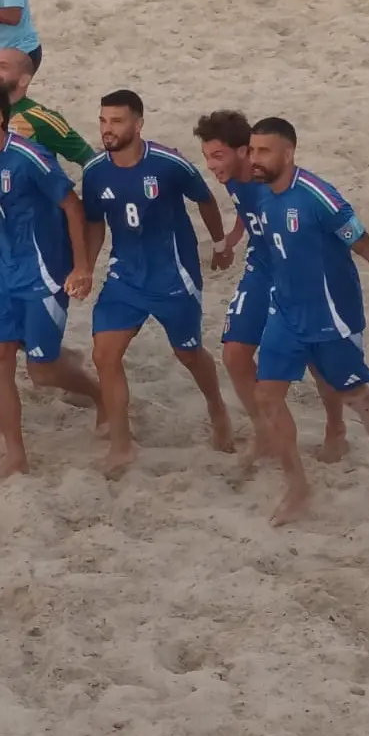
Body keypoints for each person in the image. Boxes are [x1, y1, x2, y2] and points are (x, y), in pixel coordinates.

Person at [248, 117, 369, 526]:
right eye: (252, 150)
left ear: (288, 154)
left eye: (264, 151)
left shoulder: (320, 198)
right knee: (266, 396)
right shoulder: (263, 196)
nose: (255, 159)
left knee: (355, 396)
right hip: (286, 314)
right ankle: (297, 488)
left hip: (332, 316)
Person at [82, 90, 234, 473]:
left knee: (188, 353)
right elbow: (95, 223)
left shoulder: (168, 164)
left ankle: (217, 407)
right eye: (103, 120)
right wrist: (84, 265)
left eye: (116, 121)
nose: (107, 129)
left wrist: (219, 244)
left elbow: (205, 200)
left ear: (138, 124)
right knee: (104, 355)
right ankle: (122, 444)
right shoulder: (95, 171)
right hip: (124, 277)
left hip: (173, 275)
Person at [0, 81, 104, 478]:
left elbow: (72, 207)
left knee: (42, 371)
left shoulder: (30, 156)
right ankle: (16, 455)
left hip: (44, 274)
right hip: (7, 272)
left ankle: (99, 395)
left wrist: (81, 267)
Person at [193, 110, 351, 468]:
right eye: (207, 157)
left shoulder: (274, 183)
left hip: (297, 268)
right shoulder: (233, 177)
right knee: (234, 355)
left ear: (245, 152)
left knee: (315, 356)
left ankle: (336, 428)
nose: (211, 166)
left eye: (218, 156)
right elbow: (246, 212)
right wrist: (232, 238)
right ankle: (265, 431)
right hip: (262, 265)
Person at [0, 47, 96, 291]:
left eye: (2, 66)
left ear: (24, 79)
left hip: (36, 238)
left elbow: (90, 160)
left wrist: (95, 207)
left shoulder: (41, 119)